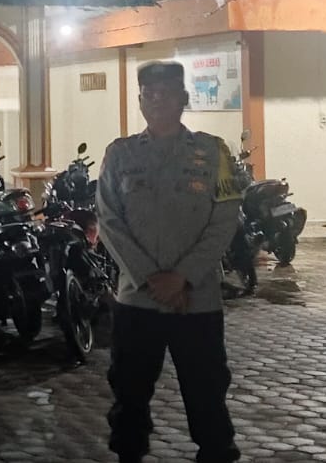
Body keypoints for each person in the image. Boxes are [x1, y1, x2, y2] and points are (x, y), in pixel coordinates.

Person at [96, 60, 243, 463]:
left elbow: (225, 220)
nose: (157, 100)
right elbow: (108, 221)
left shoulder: (213, 152)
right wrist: (150, 278)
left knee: (206, 390)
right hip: (137, 301)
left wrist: (182, 277)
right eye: (149, 94)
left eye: (167, 93)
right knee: (129, 392)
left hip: (197, 301)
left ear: (184, 98)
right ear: (141, 100)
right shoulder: (120, 153)